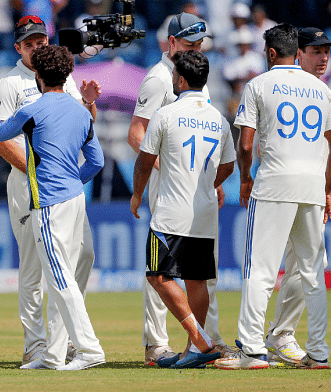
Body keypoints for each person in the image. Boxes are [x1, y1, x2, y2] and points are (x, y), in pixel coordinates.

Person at [0, 44, 106, 371]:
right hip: (74, 199)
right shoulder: (81, 110)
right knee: (64, 276)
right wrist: (74, 180)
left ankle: (89, 349)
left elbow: (1, 132)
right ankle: (55, 354)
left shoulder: (35, 108)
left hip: (49, 201)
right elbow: (96, 161)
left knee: (59, 278)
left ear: (40, 76)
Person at [215, 24, 331, 370]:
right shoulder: (320, 89)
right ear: (297, 52)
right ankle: (318, 352)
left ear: (271, 53)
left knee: (260, 269)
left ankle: (253, 351)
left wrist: (245, 179)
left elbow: (245, 143)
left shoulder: (258, 84)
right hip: (311, 186)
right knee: (313, 272)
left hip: (274, 183)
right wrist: (328, 184)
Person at [126, 12, 233, 366]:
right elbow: (136, 134)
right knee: (169, 273)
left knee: (182, 272)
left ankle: (201, 343)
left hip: (188, 184)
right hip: (167, 183)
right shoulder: (160, 80)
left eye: (200, 44)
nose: (196, 50)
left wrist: (201, 177)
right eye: (189, 44)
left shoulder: (192, 77)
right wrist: (177, 170)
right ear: (171, 43)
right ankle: (158, 343)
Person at [264, 27, 331, 367]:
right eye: (316, 51)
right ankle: (269, 336)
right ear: (298, 53)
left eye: (326, 51)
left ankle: (279, 333)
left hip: (312, 189)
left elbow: (328, 144)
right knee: (268, 266)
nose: (323, 57)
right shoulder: (280, 87)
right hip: (281, 187)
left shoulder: (320, 90)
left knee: (310, 263)